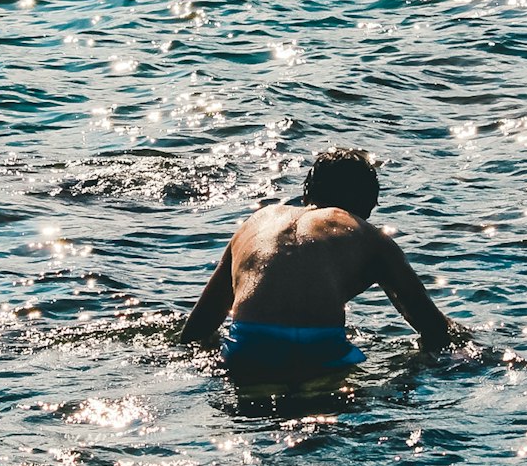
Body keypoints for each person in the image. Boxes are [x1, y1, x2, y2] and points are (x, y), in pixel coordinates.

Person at [180, 147, 462, 381]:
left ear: (306, 195)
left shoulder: (257, 221)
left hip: (247, 349)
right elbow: (430, 326)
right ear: (367, 205)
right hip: (319, 352)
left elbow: (200, 326)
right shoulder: (368, 235)